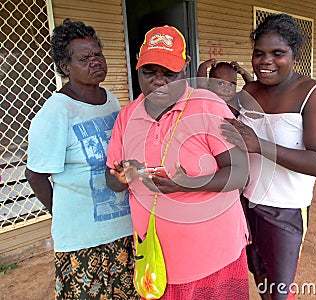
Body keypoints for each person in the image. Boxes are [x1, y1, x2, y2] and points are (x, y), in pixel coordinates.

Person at [105, 25, 250, 299]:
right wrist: (121, 177)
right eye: (149, 72)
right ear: (137, 69)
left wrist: (189, 184)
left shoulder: (208, 105)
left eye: (169, 73)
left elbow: (240, 172)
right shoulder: (127, 116)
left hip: (214, 257)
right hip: (157, 261)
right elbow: (111, 178)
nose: (159, 81)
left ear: (185, 68)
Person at [220, 13, 316, 300]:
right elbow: (218, 119)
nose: (265, 61)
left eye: (277, 53)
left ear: (294, 55)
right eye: (259, 53)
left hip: (286, 210)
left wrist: (260, 145)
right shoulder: (249, 90)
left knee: (280, 291)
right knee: (259, 275)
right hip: (247, 203)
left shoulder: (313, 94)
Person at [25, 19, 139, 300]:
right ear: (65, 67)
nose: (95, 62)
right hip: (83, 241)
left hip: (123, 231)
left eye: (97, 54)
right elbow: (35, 175)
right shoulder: (56, 112)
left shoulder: (110, 100)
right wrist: (62, 214)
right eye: (84, 58)